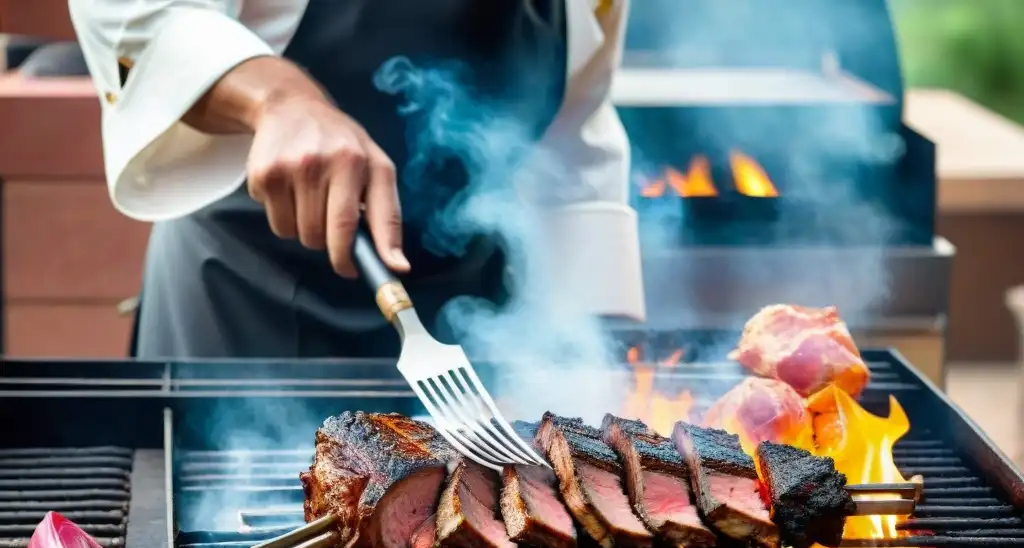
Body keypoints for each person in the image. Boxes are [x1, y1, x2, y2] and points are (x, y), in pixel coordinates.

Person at [70, 0, 641, 358]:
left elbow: (574, 128)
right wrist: (278, 99)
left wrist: (589, 361)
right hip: (248, 293)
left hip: (476, 319)